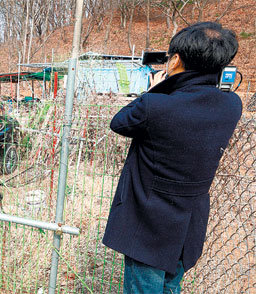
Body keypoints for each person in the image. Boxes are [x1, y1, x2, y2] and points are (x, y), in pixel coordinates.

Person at [102, 22, 242, 293]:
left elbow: (119, 122)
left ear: (176, 60)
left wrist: (156, 89)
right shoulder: (232, 105)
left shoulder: (155, 105)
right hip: (187, 225)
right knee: (170, 288)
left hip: (147, 224)